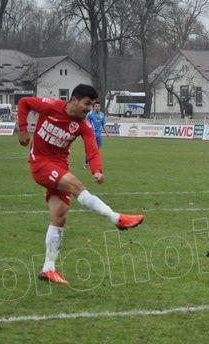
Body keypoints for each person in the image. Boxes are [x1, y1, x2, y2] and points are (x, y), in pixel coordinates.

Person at [18, 84, 144, 285]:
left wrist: (97, 170)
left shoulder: (82, 125)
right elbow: (24, 102)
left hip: (60, 166)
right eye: (87, 104)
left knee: (59, 216)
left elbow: (92, 149)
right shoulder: (50, 106)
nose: (89, 108)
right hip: (40, 163)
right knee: (77, 186)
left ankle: (48, 269)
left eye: (92, 105)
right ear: (74, 100)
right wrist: (23, 130)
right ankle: (116, 218)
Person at [84, 100, 110, 169]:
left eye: (98, 106)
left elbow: (103, 124)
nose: (97, 107)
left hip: (99, 135)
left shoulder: (102, 115)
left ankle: (91, 162)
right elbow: (86, 123)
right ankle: (86, 163)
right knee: (90, 149)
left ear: (100, 107)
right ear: (93, 107)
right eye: (96, 106)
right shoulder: (90, 114)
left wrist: (107, 133)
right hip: (91, 135)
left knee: (96, 150)